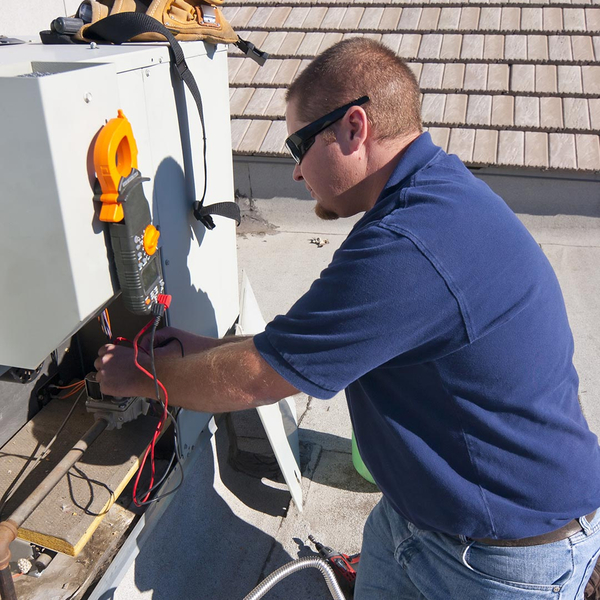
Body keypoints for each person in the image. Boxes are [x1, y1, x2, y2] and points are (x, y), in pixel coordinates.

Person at [95, 38, 600, 599]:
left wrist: (140, 376)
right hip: (413, 518)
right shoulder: (433, 196)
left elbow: (257, 378)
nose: (293, 173)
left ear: (353, 128)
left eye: (296, 146)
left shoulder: (409, 243)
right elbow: (299, 346)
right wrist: (200, 345)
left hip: (503, 555)